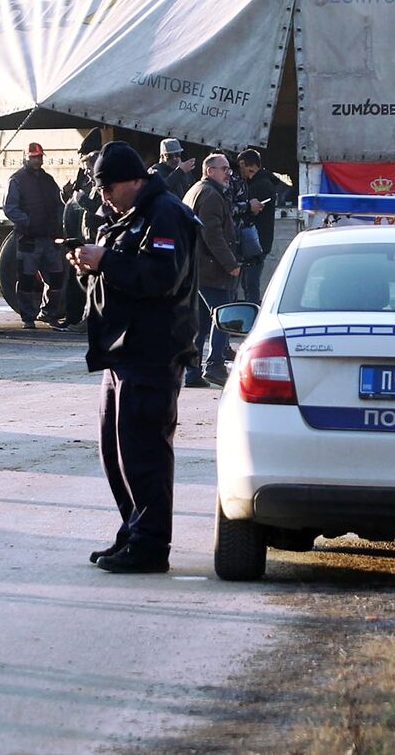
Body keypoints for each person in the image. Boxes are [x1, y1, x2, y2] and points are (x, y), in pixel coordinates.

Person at [65, 140, 200, 574]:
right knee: (116, 451)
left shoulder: (164, 213)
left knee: (144, 452)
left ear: (136, 180)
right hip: (122, 352)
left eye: (110, 186)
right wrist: (91, 262)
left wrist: (106, 260)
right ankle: (134, 532)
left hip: (152, 351)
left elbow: (161, 277)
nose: (104, 194)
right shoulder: (125, 216)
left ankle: (150, 544)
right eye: (99, 187)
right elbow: (122, 271)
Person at [181, 153, 240, 388]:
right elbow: (212, 234)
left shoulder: (196, 190)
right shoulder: (210, 195)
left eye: (228, 169)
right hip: (209, 269)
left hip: (196, 268)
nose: (228, 173)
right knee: (226, 316)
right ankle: (214, 366)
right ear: (209, 171)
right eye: (223, 169)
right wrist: (231, 264)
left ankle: (192, 372)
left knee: (203, 321)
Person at [4, 142, 66, 329]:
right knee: (26, 279)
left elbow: (58, 203)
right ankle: (28, 318)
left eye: (39, 157)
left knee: (56, 278)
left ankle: (49, 313)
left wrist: (57, 221)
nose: (37, 160)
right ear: (26, 157)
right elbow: (10, 208)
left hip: (49, 238)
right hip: (28, 238)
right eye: (33, 157)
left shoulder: (48, 180)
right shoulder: (16, 180)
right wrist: (28, 222)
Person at [60, 150, 102, 331]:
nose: (86, 172)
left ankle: (89, 320)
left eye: (89, 168)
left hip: (97, 241)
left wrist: (83, 200)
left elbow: (102, 211)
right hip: (85, 238)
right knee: (83, 282)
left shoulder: (102, 187)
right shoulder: (90, 185)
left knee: (93, 284)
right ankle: (79, 318)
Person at [230, 149, 276, 303]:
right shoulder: (262, 182)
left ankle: (253, 316)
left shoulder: (260, 185)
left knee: (250, 285)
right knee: (248, 284)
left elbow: (245, 209)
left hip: (255, 245)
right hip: (255, 243)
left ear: (243, 164)